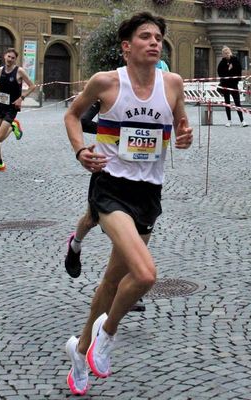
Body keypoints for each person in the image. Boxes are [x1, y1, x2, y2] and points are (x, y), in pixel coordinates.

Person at [63, 12, 193, 395]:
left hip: (148, 194)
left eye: (158, 37)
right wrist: (80, 150)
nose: (154, 42)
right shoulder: (106, 83)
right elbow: (71, 115)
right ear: (127, 47)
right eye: (145, 37)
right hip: (110, 189)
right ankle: (107, 334)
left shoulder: (172, 84)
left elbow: (181, 125)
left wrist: (184, 136)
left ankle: (81, 352)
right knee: (146, 274)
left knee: (112, 281)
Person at [65, 59, 172, 311]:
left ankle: (122, 287)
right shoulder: (113, 85)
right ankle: (75, 243)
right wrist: (113, 128)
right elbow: (81, 119)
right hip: (110, 171)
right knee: (91, 219)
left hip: (142, 180)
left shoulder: (165, 79)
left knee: (130, 235)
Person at [0, 48, 36, 172]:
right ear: (4, 56)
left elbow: (32, 86)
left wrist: (21, 98)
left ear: (15, 60)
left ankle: (13, 126)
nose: (10, 59)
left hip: (12, 108)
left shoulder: (20, 71)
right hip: (0, 105)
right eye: (9, 57)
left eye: (13, 58)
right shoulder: (0, 70)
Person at [217, 46, 247, 127]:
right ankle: (229, 120)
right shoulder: (222, 63)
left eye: (227, 52)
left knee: (237, 102)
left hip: (233, 84)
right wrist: (228, 70)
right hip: (225, 85)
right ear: (223, 54)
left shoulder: (235, 60)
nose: (226, 54)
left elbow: (238, 72)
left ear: (230, 52)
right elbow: (221, 74)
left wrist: (233, 74)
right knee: (227, 103)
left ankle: (242, 120)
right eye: (225, 53)